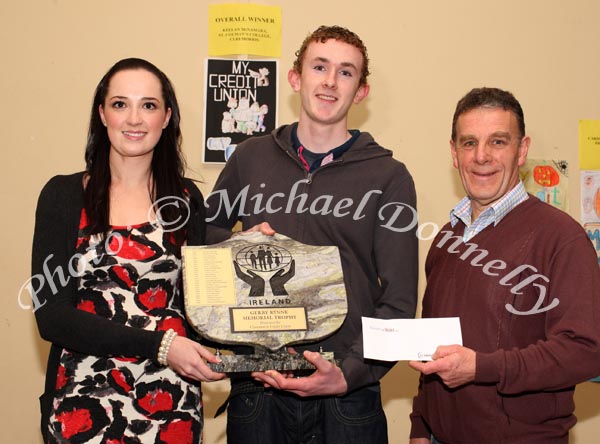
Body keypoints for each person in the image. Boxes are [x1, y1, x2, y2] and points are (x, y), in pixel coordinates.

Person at [205, 25, 419, 443]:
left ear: (361, 91)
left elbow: (399, 300)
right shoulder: (249, 157)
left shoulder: (389, 178)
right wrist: (238, 246)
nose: (329, 81)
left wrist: (350, 374)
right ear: (295, 78)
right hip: (258, 386)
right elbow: (204, 237)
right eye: (319, 67)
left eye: (345, 72)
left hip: (347, 399)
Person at [31, 58, 224, 443]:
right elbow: (52, 317)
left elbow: (203, 306)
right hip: (82, 404)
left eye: (148, 105)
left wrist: (252, 250)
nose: (134, 119)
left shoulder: (186, 200)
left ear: (167, 117)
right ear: (102, 114)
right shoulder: (64, 196)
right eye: (120, 104)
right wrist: (162, 345)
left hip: (171, 406)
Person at [409, 87, 600, 444]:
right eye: (469, 143)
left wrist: (481, 368)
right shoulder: (445, 240)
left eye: (498, 142)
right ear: (454, 152)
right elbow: (433, 346)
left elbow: (586, 351)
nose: (481, 156)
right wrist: (421, 426)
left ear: (522, 150)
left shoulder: (562, 238)